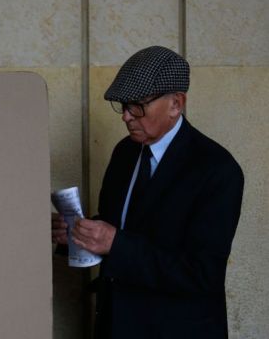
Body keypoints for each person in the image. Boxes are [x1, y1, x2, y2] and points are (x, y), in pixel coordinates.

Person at [52, 46, 244, 339]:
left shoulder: (217, 169)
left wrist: (115, 243)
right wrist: (78, 236)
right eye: (122, 106)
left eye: (137, 106)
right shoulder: (124, 152)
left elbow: (202, 274)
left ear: (176, 104)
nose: (126, 117)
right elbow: (120, 226)